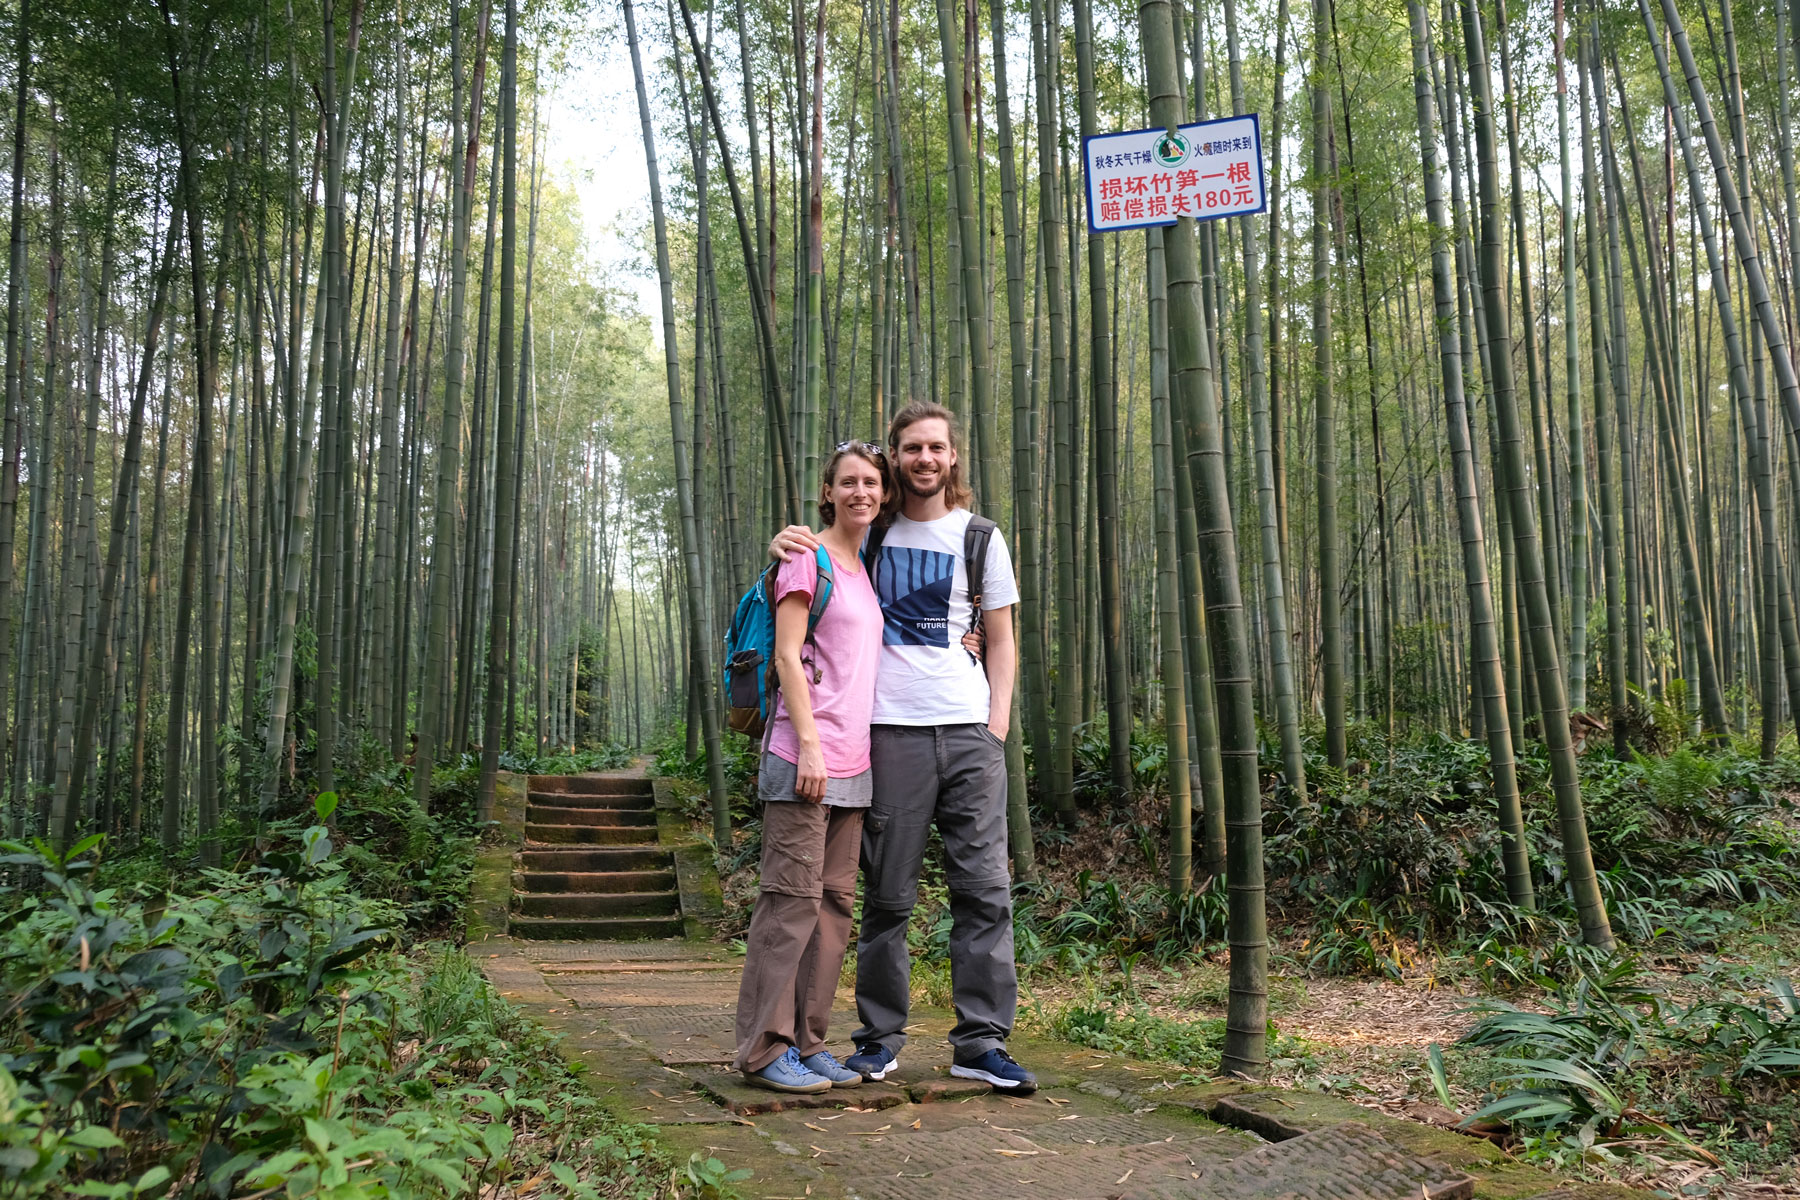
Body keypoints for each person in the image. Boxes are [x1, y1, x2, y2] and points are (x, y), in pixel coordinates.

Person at [771, 401, 1034, 1093]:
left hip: (969, 731)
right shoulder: (870, 532)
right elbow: (811, 573)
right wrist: (784, 544)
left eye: (935, 448)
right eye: (910, 448)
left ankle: (979, 1044)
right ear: (895, 459)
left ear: (953, 457)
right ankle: (877, 1041)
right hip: (886, 732)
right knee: (887, 897)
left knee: (984, 892)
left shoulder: (980, 538)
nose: (923, 458)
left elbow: (1002, 637)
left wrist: (996, 725)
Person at [733, 444, 892, 1094]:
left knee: (832, 909)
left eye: (871, 483)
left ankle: (808, 1041)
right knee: (789, 905)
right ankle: (763, 1052)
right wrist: (811, 745)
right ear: (828, 491)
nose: (860, 492)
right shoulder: (807, 558)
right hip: (804, 758)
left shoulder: (868, 567)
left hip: (856, 765)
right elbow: (787, 657)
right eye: (848, 482)